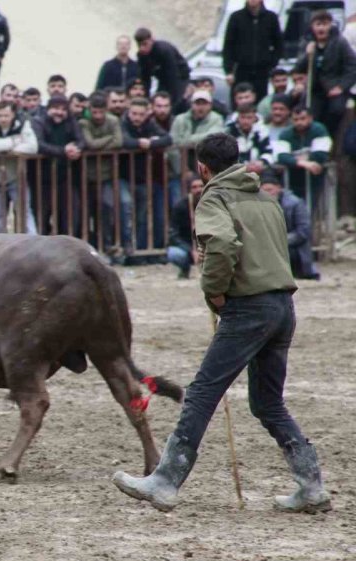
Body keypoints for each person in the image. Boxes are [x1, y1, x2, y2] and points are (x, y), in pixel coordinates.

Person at [113, 132, 331, 515]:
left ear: (203, 166)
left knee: (201, 392)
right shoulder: (266, 200)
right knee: (268, 402)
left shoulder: (214, 198)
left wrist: (213, 291)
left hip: (247, 308)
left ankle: (165, 482)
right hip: (283, 306)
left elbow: (224, 245)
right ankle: (311, 486)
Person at [121, 96, 173, 258]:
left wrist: (150, 143)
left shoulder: (149, 124)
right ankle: (127, 250)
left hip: (143, 178)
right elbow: (122, 140)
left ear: (147, 114)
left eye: (141, 114)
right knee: (126, 208)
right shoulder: (123, 123)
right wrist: (139, 143)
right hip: (123, 177)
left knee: (142, 217)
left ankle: (141, 252)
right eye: (134, 114)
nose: (137, 118)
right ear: (129, 112)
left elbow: (168, 138)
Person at [293, 10, 356, 137]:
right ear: (312, 26)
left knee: (336, 110)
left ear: (330, 25)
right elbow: (299, 68)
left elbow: (352, 67)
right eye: (318, 24)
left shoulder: (340, 42)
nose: (321, 28)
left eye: (325, 24)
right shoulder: (307, 42)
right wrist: (307, 55)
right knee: (309, 112)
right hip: (314, 89)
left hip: (334, 88)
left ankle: (329, 138)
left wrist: (341, 87)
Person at [0, 100, 37, 233]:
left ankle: (33, 243)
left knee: (24, 212)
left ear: (13, 115)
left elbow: (33, 147)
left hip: (16, 176)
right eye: (0, 115)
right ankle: (2, 247)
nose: (3, 119)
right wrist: (13, 142)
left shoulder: (23, 123)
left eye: (6, 115)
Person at [80, 92, 126, 252]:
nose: (98, 116)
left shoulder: (113, 120)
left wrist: (99, 144)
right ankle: (88, 247)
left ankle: (107, 244)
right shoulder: (84, 123)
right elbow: (90, 144)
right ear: (89, 110)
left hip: (106, 175)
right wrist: (108, 139)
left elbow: (119, 141)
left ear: (106, 109)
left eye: (101, 112)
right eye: (95, 112)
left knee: (107, 208)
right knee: (86, 212)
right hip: (86, 177)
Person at [33, 94, 84, 236]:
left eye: (63, 109)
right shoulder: (38, 121)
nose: (59, 112)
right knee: (41, 217)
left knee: (70, 217)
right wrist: (63, 151)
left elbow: (81, 139)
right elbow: (39, 144)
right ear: (48, 109)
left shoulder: (71, 121)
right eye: (55, 108)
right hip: (42, 178)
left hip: (66, 177)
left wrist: (76, 149)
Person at [259, 170, 320, 281]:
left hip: (292, 248)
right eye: (264, 191)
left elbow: (303, 231)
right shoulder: (259, 205)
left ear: (278, 188)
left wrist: (278, 241)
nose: (267, 194)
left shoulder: (295, 203)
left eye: (270, 190)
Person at [222, 0, 282, 103]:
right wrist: (229, 71)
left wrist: (271, 65)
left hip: (262, 73)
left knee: (261, 102)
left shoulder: (271, 18)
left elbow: (279, 45)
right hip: (240, 71)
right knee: (241, 102)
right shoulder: (236, 17)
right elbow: (228, 46)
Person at [273, 105, 331, 204]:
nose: (299, 122)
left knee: (312, 207)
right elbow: (281, 156)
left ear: (310, 118)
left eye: (303, 119)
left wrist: (295, 159)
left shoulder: (319, 129)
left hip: (314, 178)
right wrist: (304, 163)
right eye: (296, 119)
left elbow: (321, 155)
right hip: (292, 179)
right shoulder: (285, 134)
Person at [170, 90, 225, 186]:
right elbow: (173, 145)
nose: (201, 107)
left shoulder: (217, 119)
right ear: (191, 104)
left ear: (210, 105)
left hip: (207, 170)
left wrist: (185, 140)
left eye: (204, 103)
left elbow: (212, 138)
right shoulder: (180, 119)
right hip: (181, 169)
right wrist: (182, 169)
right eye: (197, 103)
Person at [135, 27, 190, 112]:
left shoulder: (164, 50)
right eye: (139, 45)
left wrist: (172, 100)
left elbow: (173, 75)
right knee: (158, 101)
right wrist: (146, 100)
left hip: (180, 76)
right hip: (162, 79)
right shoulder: (141, 56)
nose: (142, 48)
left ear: (152, 40)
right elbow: (145, 79)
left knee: (175, 102)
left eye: (145, 44)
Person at [166, 173, 203, 279]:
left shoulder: (213, 203)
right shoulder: (181, 206)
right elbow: (173, 235)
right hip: (188, 247)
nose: (198, 190)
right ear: (189, 190)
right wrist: (191, 250)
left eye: (201, 186)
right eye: (194, 187)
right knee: (174, 254)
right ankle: (185, 269)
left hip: (209, 247)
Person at [226, 103, 272, 172]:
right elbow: (228, 155)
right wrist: (244, 165)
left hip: (259, 169)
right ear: (238, 117)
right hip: (235, 170)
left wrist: (261, 162)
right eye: (243, 117)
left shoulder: (262, 131)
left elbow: (268, 152)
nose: (245, 121)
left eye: (249, 117)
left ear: (255, 118)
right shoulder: (229, 131)